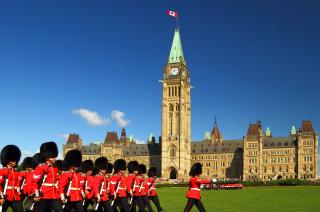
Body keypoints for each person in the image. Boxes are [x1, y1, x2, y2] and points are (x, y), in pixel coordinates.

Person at [31, 141, 63, 212]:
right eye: (52, 157)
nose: (55, 158)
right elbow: (34, 182)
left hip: (55, 195)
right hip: (44, 195)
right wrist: (36, 195)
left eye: (55, 156)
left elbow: (59, 182)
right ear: (47, 157)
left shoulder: (55, 168)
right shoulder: (41, 167)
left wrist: (61, 194)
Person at [0, 145, 24, 212]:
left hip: (15, 197)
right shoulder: (2, 171)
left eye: (15, 160)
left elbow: (17, 183)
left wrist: (19, 191)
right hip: (5, 196)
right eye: (13, 160)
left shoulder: (16, 172)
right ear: (7, 160)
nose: (15, 162)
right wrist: (1, 197)